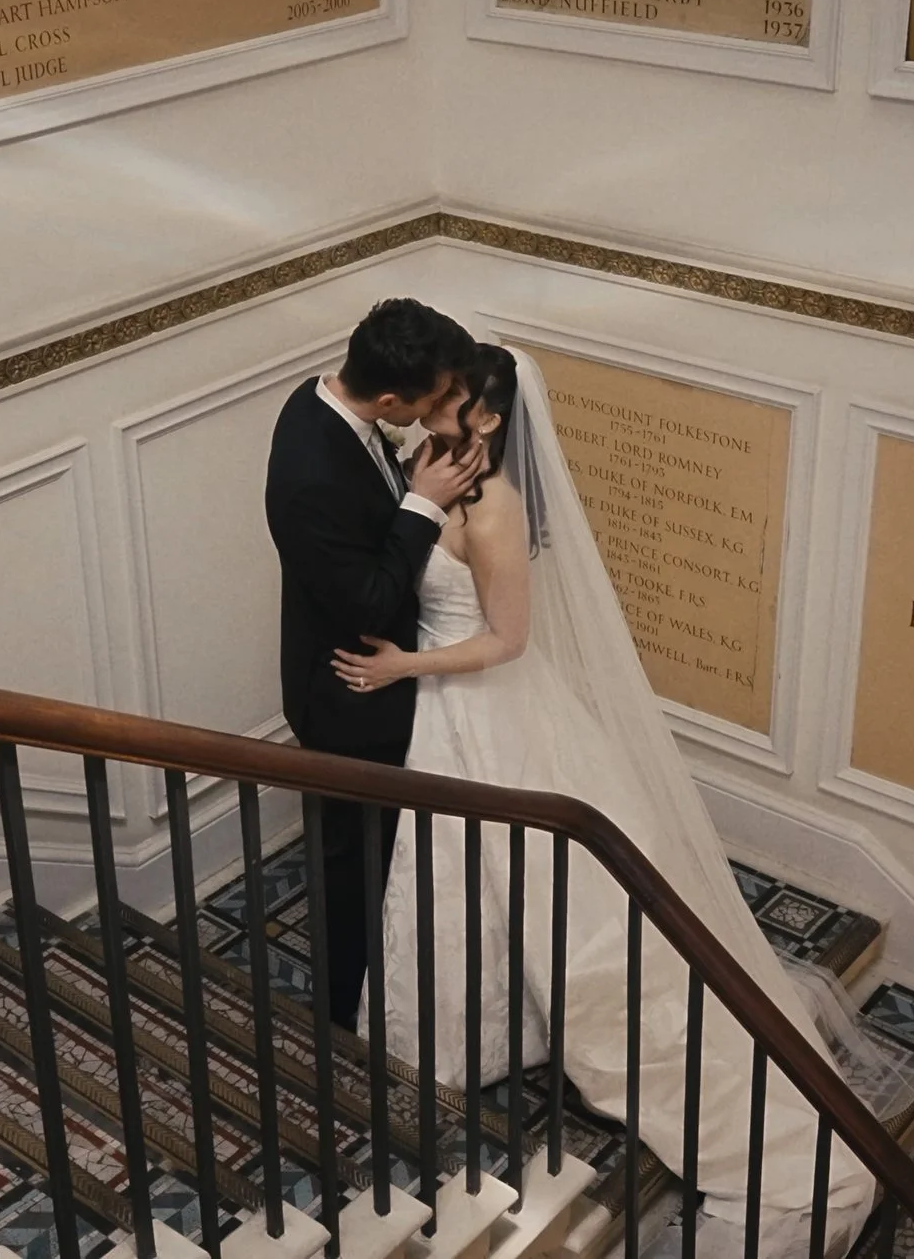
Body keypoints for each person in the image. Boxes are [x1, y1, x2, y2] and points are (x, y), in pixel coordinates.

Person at [330, 344, 879, 1251]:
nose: (428, 407)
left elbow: (507, 640)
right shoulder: (433, 463)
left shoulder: (495, 506)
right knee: (470, 879)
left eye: (449, 398)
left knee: (554, 892)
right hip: (447, 715)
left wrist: (403, 666)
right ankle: (485, 1027)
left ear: (490, 417)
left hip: (488, 706)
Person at [265, 298, 485, 1030]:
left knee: (390, 854)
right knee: (350, 866)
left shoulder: (321, 400)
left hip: (389, 674)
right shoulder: (312, 473)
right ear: (390, 400)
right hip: (347, 696)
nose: (438, 412)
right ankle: (338, 1020)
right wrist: (422, 505)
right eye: (433, 398)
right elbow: (366, 600)